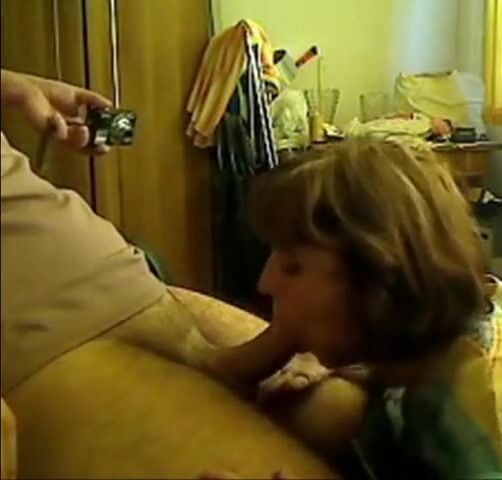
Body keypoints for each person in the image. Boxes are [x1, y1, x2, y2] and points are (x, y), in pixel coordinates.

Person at [215, 139, 502, 479]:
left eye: (294, 267)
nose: (265, 283)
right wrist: (296, 348)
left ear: (380, 275)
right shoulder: (471, 313)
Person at [0, 69, 364, 479]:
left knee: (352, 416)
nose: (266, 283)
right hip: (30, 331)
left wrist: (11, 85)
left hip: (81, 252)